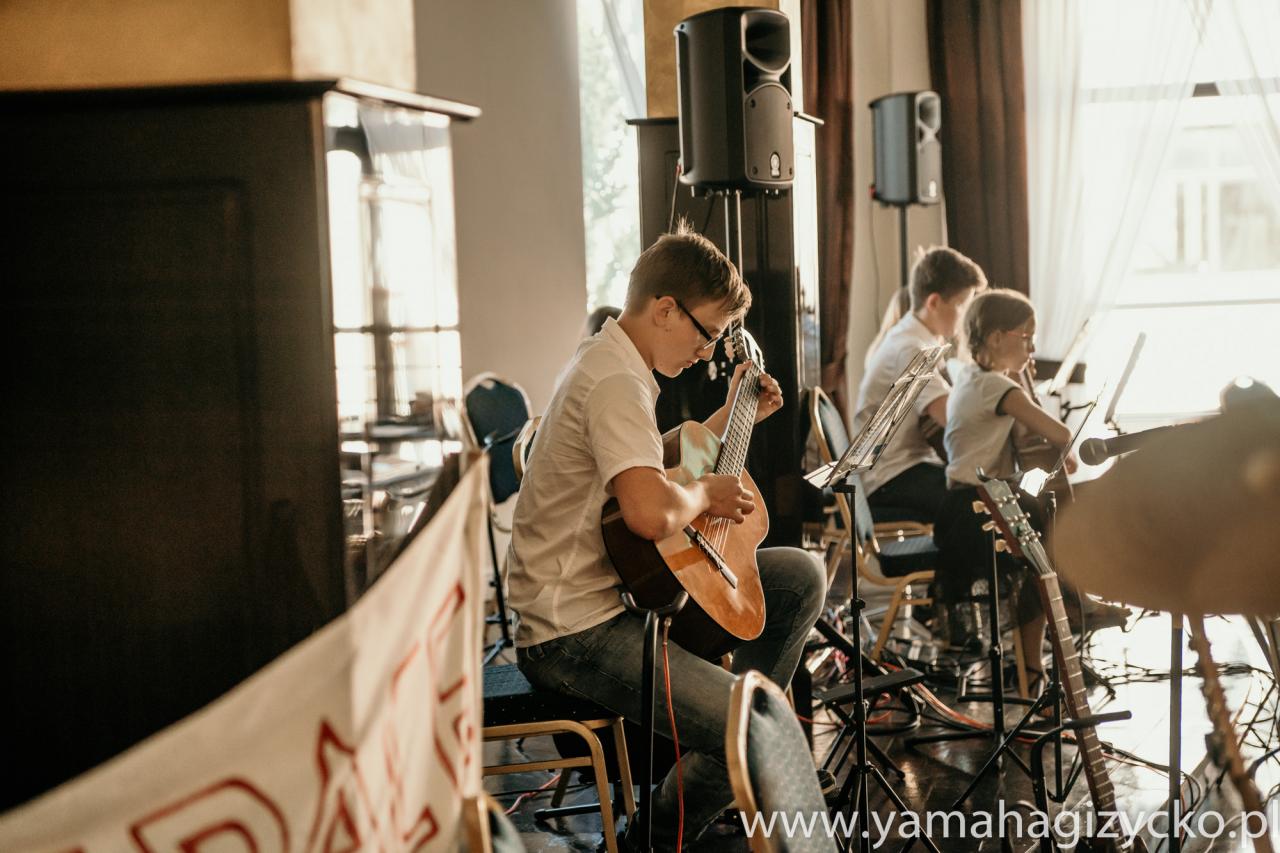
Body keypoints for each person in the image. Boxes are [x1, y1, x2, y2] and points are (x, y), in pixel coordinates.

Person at [507, 223, 826, 851]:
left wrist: (731, 416)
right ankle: (653, 838)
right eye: (708, 334)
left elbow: (652, 461)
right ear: (665, 310)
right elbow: (651, 514)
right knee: (754, 735)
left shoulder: (613, 361)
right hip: (572, 635)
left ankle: (739, 721)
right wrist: (706, 494)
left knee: (798, 578)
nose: (708, 353)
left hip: (605, 606)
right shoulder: (615, 382)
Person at [853, 246, 985, 523]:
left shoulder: (917, 338)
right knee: (978, 501)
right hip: (890, 476)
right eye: (961, 305)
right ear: (934, 302)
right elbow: (951, 418)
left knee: (983, 491)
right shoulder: (911, 348)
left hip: (907, 466)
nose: (965, 316)